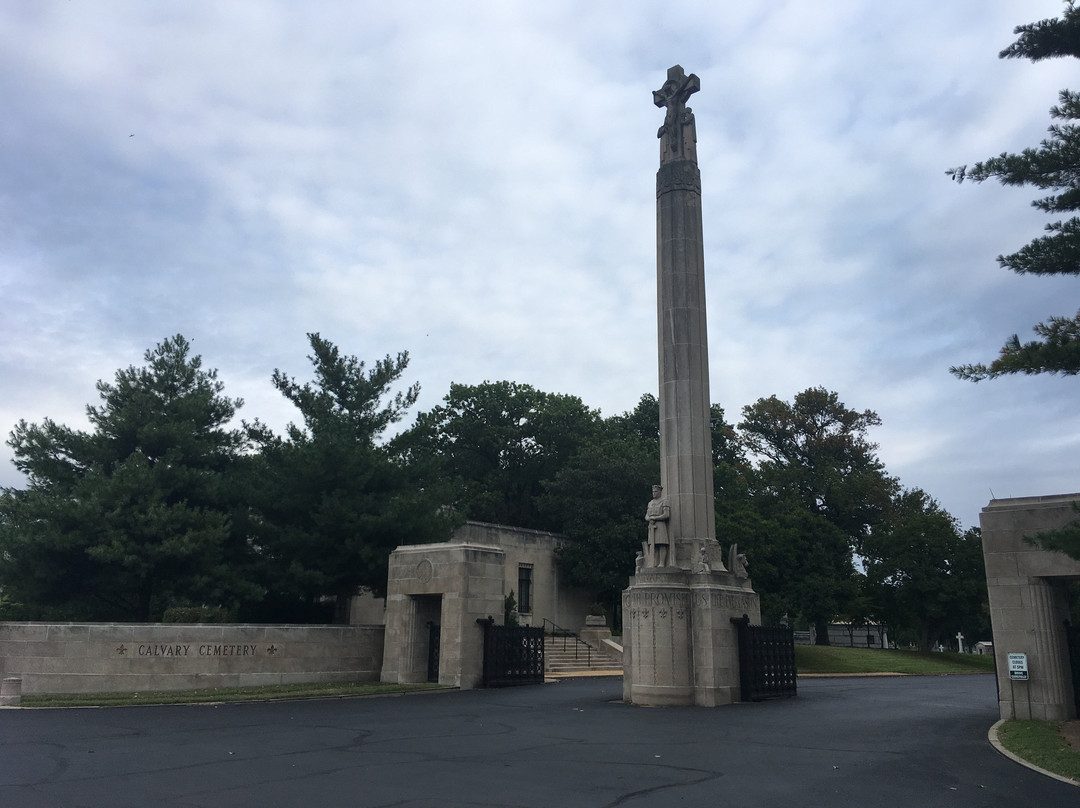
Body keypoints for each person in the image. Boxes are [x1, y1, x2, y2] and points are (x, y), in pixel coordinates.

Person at [645, 484, 671, 567]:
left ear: (660, 492)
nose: (654, 493)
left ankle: (662, 562)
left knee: (662, 543)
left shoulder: (664, 501)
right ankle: (654, 562)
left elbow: (666, 515)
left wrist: (655, 518)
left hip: (660, 525)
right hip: (651, 526)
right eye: (653, 492)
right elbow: (646, 515)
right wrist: (649, 518)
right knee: (653, 545)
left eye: (656, 491)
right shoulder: (650, 503)